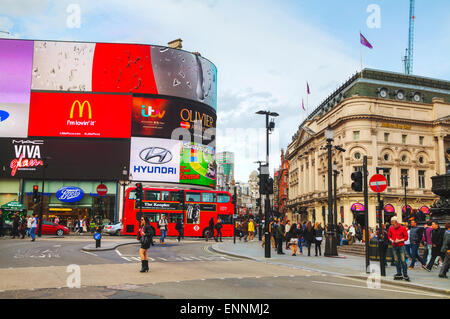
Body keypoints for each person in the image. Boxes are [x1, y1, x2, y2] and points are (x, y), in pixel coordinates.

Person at [388, 216, 410, 281]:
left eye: (393, 224)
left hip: (401, 245)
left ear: (397, 222)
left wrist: (400, 240)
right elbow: (389, 236)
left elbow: (406, 238)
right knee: (396, 260)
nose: (392, 225)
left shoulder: (403, 228)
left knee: (403, 260)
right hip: (394, 245)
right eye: (391, 224)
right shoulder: (391, 228)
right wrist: (391, 240)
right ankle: (399, 273)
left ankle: (405, 274)